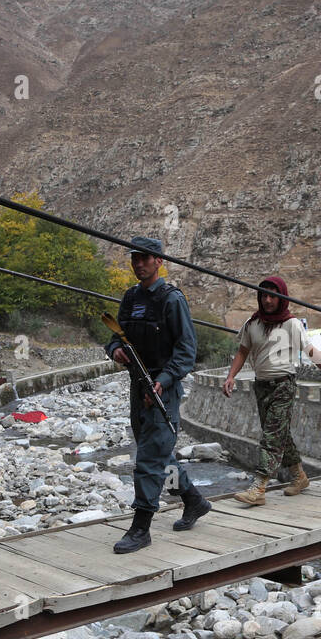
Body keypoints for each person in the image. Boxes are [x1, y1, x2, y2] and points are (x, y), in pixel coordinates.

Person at [106, 236, 210, 553]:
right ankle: (193, 499)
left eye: (145, 259)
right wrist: (115, 351)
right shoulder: (130, 298)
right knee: (158, 451)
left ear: (158, 262)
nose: (139, 264)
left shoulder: (172, 300)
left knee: (150, 457)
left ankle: (141, 527)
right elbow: (114, 337)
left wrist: (163, 380)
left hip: (164, 388)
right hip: (139, 385)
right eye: (135, 258)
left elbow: (187, 351)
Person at [223, 277, 321, 505]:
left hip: (283, 386)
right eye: (264, 295)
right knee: (281, 436)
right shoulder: (252, 323)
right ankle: (299, 477)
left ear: (281, 297)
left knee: (271, 437)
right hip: (261, 386)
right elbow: (242, 352)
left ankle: (258, 487)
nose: (268, 300)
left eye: (273, 295)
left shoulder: (291, 324)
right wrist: (230, 376)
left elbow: (312, 353)